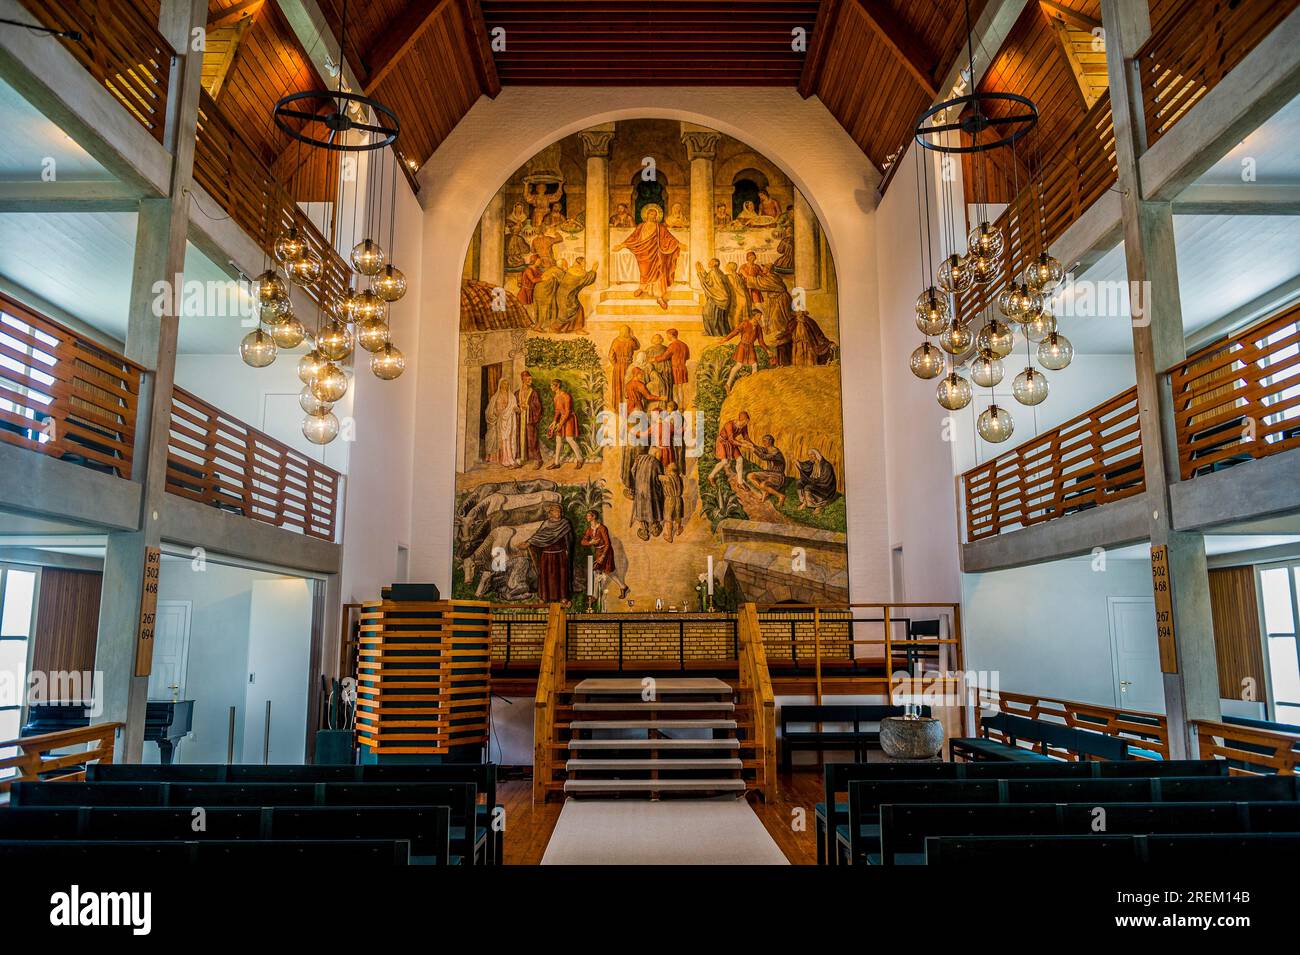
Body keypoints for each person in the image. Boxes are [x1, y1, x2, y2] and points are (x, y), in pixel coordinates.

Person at [612, 204, 680, 309]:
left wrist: (678, 244)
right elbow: (633, 237)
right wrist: (621, 245)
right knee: (644, 272)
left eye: (654, 214)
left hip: (656, 253)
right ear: (646, 215)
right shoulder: (641, 226)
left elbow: (668, 237)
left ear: (657, 216)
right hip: (642, 253)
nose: (652, 216)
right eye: (650, 214)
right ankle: (642, 288)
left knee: (659, 273)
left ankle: (660, 297)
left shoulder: (660, 227)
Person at [527, 503, 573, 603]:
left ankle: (563, 597)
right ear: (550, 513)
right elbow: (538, 536)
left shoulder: (565, 523)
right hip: (546, 554)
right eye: (555, 510)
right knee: (545, 575)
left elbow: (569, 540)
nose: (558, 513)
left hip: (560, 555)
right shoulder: (546, 523)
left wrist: (567, 551)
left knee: (561, 576)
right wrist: (529, 542)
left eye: (559, 511)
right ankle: (544, 597)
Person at [581, 509, 629, 599]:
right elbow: (583, 542)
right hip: (598, 552)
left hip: (606, 552)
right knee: (606, 572)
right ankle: (623, 587)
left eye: (588, 516)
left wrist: (603, 556)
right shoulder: (589, 530)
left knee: (603, 572)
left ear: (594, 517)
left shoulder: (602, 528)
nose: (587, 517)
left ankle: (595, 596)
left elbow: (607, 543)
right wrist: (590, 543)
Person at [721, 308, 768, 392]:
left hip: (750, 347)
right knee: (739, 365)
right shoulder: (745, 323)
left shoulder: (758, 328)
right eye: (759, 316)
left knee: (754, 365)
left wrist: (767, 350)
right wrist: (726, 339)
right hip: (742, 346)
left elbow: (761, 342)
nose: (760, 318)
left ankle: (753, 385)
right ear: (754, 316)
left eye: (760, 316)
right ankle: (728, 384)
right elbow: (736, 331)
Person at [552, 258, 598, 333]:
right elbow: (587, 279)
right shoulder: (579, 272)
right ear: (580, 263)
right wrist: (593, 270)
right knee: (573, 311)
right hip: (568, 296)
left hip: (563, 294)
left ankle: (564, 328)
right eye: (584, 262)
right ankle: (557, 327)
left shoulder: (571, 269)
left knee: (570, 312)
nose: (585, 263)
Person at [547, 378, 584, 469]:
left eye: (552, 385)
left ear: (557, 386)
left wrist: (560, 424)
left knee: (569, 439)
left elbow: (567, 412)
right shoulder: (556, 396)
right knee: (558, 440)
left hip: (569, 419)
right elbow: (557, 411)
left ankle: (580, 459)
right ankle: (556, 463)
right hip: (561, 419)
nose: (551, 387)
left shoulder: (566, 396)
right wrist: (555, 421)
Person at [650, 327, 690, 407]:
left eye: (667, 335)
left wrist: (654, 359)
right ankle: (681, 405)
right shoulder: (684, 345)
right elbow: (687, 357)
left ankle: (677, 406)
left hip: (675, 369)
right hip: (683, 368)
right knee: (680, 388)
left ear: (671, 335)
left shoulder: (672, 345)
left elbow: (664, 356)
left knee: (675, 388)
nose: (667, 337)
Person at [484, 377, 520, 467]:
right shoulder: (495, 397)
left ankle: (509, 458)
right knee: (502, 439)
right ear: (500, 385)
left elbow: (514, 407)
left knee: (507, 438)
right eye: (504, 384)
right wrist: (496, 413)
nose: (506, 385)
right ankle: (503, 459)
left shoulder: (511, 396)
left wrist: (517, 409)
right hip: (500, 420)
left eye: (507, 384)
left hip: (508, 420)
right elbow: (490, 410)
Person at [708, 411, 750, 484]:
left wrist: (754, 446)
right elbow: (731, 439)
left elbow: (746, 438)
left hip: (732, 443)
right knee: (724, 462)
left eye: (747, 422)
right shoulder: (730, 424)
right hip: (722, 442)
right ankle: (711, 476)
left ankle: (740, 482)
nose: (746, 424)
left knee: (740, 459)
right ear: (741, 420)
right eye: (745, 421)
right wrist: (742, 445)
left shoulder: (744, 427)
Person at [631, 450, 664, 540]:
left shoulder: (640, 458)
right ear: (655, 454)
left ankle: (644, 530)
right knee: (653, 506)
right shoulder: (656, 463)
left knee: (641, 508)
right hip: (650, 491)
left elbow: (633, 471)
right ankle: (654, 527)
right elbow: (660, 479)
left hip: (640, 491)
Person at [746, 434, 786, 504]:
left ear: (770, 441)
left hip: (777, 476)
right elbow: (758, 448)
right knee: (750, 476)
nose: (763, 442)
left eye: (765, 441)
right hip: (768, 473)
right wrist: (749, 442)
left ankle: (780, 496)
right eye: (763, 441)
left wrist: (753, 449)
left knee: (763, 485)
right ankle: (764, 491)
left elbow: (764, 457)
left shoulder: (776, 453)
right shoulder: (767, 449)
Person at [696, 258, 732, 337]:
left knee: (707, 313)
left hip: (717, 298)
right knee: (717, 316)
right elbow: (709, 279)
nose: (708, 262)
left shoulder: (713, 272)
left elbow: (707, 282)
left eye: (710, 262)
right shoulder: (717, 271)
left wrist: (699, 272)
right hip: (721, 297)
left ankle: (714, 333)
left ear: (714, 264)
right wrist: (702, 270)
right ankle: (720, 332)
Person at [608, 325, 640, 410]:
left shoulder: (616, 341)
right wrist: (633, 337)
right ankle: (625, 407)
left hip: (619, 366)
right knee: (626, 384)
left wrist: (615, 364)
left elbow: (611, 355)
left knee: (621, 385)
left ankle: (619, 407)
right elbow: (637, 346)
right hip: (628, 365)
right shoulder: (630, 341)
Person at [516, 370, 544, 469]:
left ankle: (538, 460)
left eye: (530, 379)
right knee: (519, 439)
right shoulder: (517, 393)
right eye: (528, 379)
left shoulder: (533, 393)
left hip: (530, 419)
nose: (530, 381)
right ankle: (520, 460)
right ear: (523, 379)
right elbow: (514, 405)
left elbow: (538, 407)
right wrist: (518, 408)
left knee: (532, 439)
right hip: (520, 420)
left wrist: (527, 406)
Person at [797, 449, 838, 513]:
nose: (810, 456)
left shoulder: (826, 465)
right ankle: (805, 501)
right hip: (816, 483)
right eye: (809, 455)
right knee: (799, 482)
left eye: (812, 454)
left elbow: (825, 481)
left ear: (817, 454)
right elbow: (805, 467)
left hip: (825, 488)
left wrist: (812, 481)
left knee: (808, 487)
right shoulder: (813, 463)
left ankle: (818, 505)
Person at [659, 461, 685, 542]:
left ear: (669, 470)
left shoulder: (666, 478)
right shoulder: (679, 478)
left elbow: (657, 476)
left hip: (669, 500)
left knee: (668, 518)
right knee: (678, 516)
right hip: (678, 499)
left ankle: (669, 536)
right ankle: (678, 530)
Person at [723, 262, 749, 333]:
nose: (725, 267)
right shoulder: (737, 275)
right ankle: (738, 329)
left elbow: (736, 287)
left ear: (730, 268)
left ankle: (735, 330)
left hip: (737, 297)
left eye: (727, 266)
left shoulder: (729, 276)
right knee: (738, 314)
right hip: (742, 296)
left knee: (735, 314)